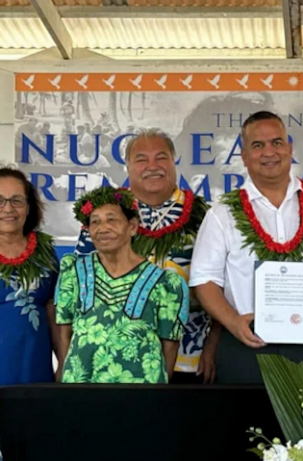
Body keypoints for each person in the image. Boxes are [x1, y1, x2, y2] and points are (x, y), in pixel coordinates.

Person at [189, 111, 303, 384]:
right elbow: (204, 279)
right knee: (246, 427)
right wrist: (233, 323)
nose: (269, 151)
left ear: (289, 149)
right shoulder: (222, 213)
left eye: (277, 142)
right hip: (248, 343)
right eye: (258, 145)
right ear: (244, 156)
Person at [75, 129, 221, 384]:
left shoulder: (205, 216)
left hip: (191, 360)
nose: (152, 166)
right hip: (115, 362)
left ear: (174, 162)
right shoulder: (104, 217)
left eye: (161, 157)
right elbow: (78, 288)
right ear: (128, 166)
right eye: (141, 159)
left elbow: (225, 286)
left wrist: (213, 347)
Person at [55, 187, 189, 383]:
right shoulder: (73, 271)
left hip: (141, 395)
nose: (103, 228)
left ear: (132, 227)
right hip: (81, 392)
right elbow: (64, 332)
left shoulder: (166, 283)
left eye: (112, 220)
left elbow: (170, 348)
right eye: (95, 222)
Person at [0, 167, 58, 386]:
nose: (8, 209)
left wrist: (63, 361)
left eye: (16, 200)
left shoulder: (44, 249)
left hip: (35, 365)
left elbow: (53, 309)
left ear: (28, 207)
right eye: (0, 200)